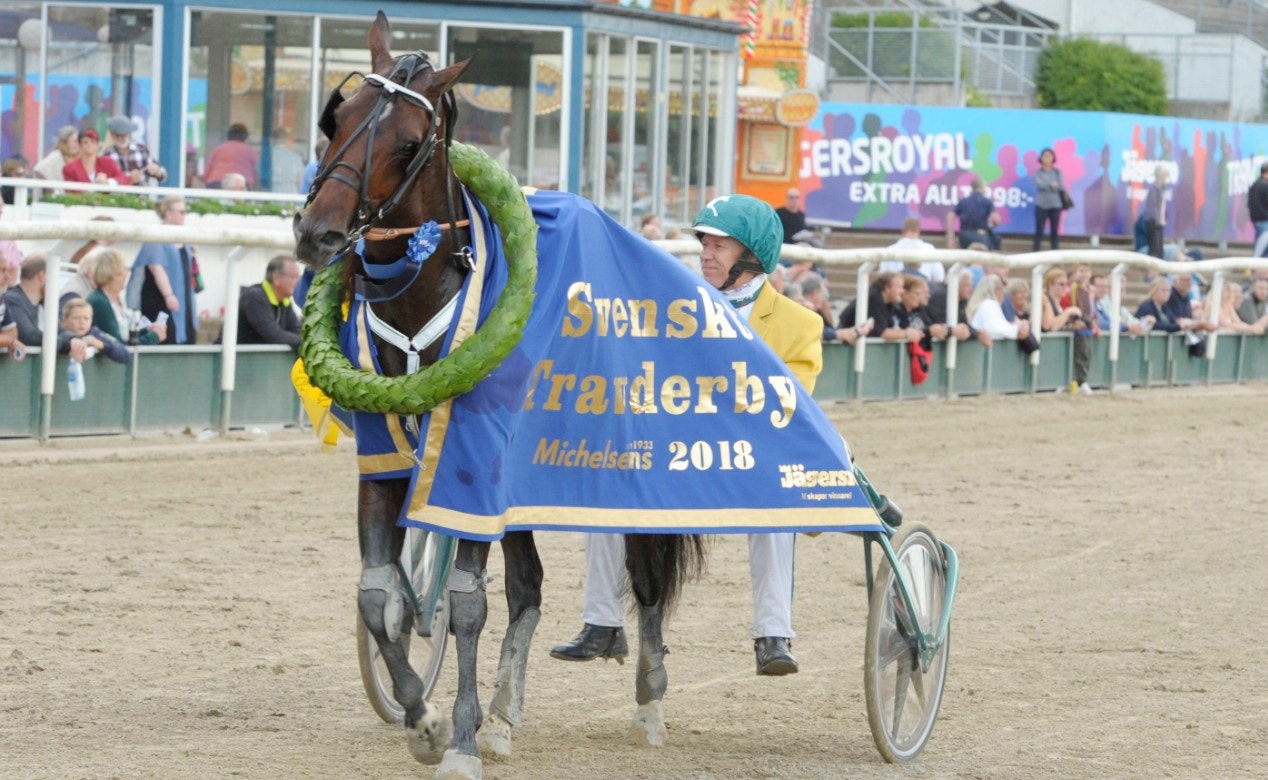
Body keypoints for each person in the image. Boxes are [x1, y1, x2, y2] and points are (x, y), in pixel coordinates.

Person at [550, 194, 823, 677]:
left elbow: (787, 405)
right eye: (705, 243)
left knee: (780, 512)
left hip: (753, 457)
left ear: (753, 254)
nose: (707, 254)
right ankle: (602, 622)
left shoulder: (799, 324)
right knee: (608, 478)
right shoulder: (675, 305)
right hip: (678, 452)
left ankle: (773, 633)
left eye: (721, 245)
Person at [126, 196, 198, 345]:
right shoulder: (156, 236)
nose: (184, 216)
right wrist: (169, 295)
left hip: (183, 299)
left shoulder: (184, 237)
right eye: (181, 212)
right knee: (167, 336)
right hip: (160, 300)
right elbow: (156, 267)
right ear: (168, 213)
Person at [3, 255, 93, 362]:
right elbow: (28, 336)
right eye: (55, 278)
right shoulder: (12, 299)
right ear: (43, 276)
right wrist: (67, 345)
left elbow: (60, 330)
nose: (56, 285)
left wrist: (73, 339)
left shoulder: (44, 303)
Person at [86, 248, 167, 346]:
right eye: (124, 269)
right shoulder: (99, 302)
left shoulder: (116, 299)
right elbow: (117, 345)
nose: (126, 274)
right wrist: (154, 337)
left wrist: (147, 330)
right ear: (114, 275)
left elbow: (126, 337)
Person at [1040, 268, 1093, 394]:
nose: (1065, 288)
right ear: (1050, 285)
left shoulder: (1059, 303)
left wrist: (1072, 326)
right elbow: (1049, 326)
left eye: (1067, 284)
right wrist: (1068, 312)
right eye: (1061, 284)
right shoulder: (1046, 300)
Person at [235, 255, 302, 346]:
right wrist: (305, 343)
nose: (298, 282)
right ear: (277, 278)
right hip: (229, 358)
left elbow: (296, 330)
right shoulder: (254, 297)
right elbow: (274, 336)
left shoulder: (284, 301)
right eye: (294, 276)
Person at [103, 115, 168, 186]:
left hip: (142, 195)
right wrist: (128, 179)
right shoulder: (107, 155)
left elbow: (163, 175)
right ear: (111, 135)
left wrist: (157, 172)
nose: (121, 139)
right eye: (117, 136)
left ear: (129, 134)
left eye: (124, 135)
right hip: (118, 196)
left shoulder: (141, 150)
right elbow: (105, 182)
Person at [60, 297, 129, 364]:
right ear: (64, 321)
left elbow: (125, 355)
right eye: (76, 318)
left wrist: (100, 345)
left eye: (86, 318)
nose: (82, 322)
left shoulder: (95, 334)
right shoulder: (60, 336)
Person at [838, 271, 904, 340]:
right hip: (846, 344)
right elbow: (883, 333)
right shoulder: (873, 298)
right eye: (900, 287)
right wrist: (907, 334)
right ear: (887, 287)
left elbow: (892, 326)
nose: (903, 291)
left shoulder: (888, 302)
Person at [967, 274, 1031, 343]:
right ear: (991, 290)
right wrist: (1018, 331)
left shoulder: (989, 305)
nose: (1003, 292)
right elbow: (995, 329)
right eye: (1000, 288)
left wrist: (1018, 327)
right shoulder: (989, 304)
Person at [881, 216, 945, 283]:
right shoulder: (929, 249)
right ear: (919, 231)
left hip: (898, 291)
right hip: (921, 289)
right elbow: (939, 277)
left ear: (902, 231)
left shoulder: (889, 250)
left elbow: (883, 277)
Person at [1089, 273, 1153, 336]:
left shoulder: (1118, 306)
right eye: (1100, 286)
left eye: (1106, 287)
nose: (1104, 290)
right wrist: (1126, 327)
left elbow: (1131, 322)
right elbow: (1103, 324)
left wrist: (1145, 322)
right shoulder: (1099, 303)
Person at [62, 128, 127, 190]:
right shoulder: (69, 169)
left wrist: (108, 182)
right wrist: (95, 187)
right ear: (80, 145)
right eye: (85, 142)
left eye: (93, 141)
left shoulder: (108, 162)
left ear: (98, 144)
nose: (89, 144)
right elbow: (71, 192)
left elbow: (124, 179)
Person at [945, 177, 1000, 250]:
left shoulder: (963, 201)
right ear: (982, 187)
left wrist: (951, 238)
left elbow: (950, 217)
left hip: (964, 235)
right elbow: (996, 219)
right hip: (981, 235)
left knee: (966, 258)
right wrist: (991, 226)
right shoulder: (986, 201)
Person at [204, 123, 258, 190]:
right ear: (245, 136)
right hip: (241, 184)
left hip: (216, 183)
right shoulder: (250, 151)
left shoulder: (220, 149)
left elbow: (207, 171)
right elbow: (255, 172)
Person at [1033, 147, 1066, 251]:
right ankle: (1036, 252)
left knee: (1054, 231)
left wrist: (1047, 187)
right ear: (1041, 158)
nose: (1046, 158)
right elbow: (1040, 186)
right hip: (1041, 205)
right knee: (1039, 231)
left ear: (1053, 158)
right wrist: (1052, 185)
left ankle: (1055, 253)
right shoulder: (1038, 172)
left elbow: (1060, 186)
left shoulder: (1057, 172)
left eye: (1049, 156)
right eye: (1044, 156)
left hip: (1056, 205)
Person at [1142, 165, 1171, 260]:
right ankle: (1152, 273)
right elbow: (1152, 207)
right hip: (1154, 223)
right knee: (1154, 251)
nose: (1166, 178)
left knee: (1159, 251)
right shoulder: (1154, 188)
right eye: (1165, 175)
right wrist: (1157, 221)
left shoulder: (1161, 189)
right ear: (1160, 175)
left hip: (1159, 224)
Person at [269, 126, 305, 193]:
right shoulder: (296, 157)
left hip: (272, 196)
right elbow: (299, 180)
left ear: (273, 139)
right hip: (291, 196)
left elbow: (259, 180)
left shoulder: (267, 157)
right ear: (285, 140)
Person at [1247, 161, 1268, 249]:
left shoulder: (1254, 185)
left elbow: (1249, 203)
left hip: (1256, 219)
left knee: (1259, 244)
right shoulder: (1265, 186)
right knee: (1264, 247)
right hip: (1265, 219)